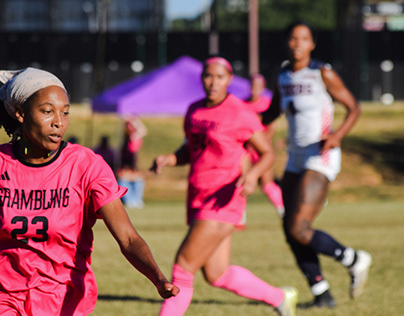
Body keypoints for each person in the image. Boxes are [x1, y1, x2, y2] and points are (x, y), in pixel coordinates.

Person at [0, 67, 179, 315]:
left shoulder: (85, 165)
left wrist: (158, 278)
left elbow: (127, 237)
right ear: (20, 113)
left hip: (64, 297)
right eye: (47, 111)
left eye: (65, 112)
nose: (58, 122)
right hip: (6, 295)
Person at [150, 56, 298, 316]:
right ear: (202, 78)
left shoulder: (241, 112)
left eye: (220, 77)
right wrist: (171, 158)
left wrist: (252, 176)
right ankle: (280, 297)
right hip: (198, 197)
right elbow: (192, 149)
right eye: (208, 76)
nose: (213, 82)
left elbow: (267, 154)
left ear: (229, 79)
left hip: (224, 199)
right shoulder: (194, 110)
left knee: (183, 268)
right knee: (217, 274)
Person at [262, 21, 372, 309]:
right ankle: (321, 292)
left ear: (312, 44)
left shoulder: (322, 72)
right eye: (293, 38)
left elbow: (354, 107)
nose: (297, 43)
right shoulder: (282, 75)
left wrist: (337, 135)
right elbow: (272, 112)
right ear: (287, 43)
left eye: (304, 39)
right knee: (289, 229)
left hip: (320, 155)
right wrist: (242, 124)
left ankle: (353, 259)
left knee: (299, 227)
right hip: (295, 157)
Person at [244, 73, 285, 217]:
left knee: (267, 184)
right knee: (241, 181)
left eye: (257, 86)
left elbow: (271, 128)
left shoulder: (267, 103)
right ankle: (238, 218)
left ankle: (282, 211)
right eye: (252, 85)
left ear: (262, 87)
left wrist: (261, 145)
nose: (254, 89)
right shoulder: (242, 104)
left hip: (262, 151)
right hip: (245, 151)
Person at [118, 116, 147, 209]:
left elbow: (143, 130)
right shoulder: (125, 140)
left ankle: (136, 200)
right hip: (125, 169)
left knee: (138, 180)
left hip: (132, 168)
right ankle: (130, 200)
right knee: (123, 179)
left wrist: (134, 120)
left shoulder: (134, 139)